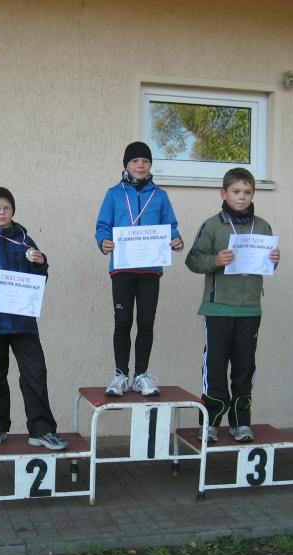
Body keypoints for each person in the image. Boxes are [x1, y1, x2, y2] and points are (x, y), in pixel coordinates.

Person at [0, 187, 68, 450]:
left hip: (23, 323)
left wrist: (40, 263)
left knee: (35, 373)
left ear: (13, 211)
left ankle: (41, 430)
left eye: (6, 207)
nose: (2, 212)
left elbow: (39, 278)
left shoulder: (26, 241)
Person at [185, 168, 279, 443]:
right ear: (223, 193)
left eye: (247, 192)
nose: (242, 197)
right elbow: (193, 260)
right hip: (218, 308)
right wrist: (215, 260)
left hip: (250, 309)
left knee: (244, 368)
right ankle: (210, 423)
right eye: (236, 192)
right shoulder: (212, 226)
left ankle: (241, 422)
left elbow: (268, 265)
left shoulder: (263, 226)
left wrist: (273, 260)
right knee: (215, 368)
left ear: (253, 195)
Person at [95, 141, 183, 397]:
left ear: (151, 165)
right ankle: (120, 375)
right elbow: (103, 226)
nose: (140, 165)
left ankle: (141, 375)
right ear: (126, 165)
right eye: (135, 161)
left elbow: (170, 225)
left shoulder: (160, 196)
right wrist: (103, 241)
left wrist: (176, 239)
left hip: (150, 271)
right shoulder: (113, 194)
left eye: (145, 161)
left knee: (146, 322)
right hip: (122, 269)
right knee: (122, 321)